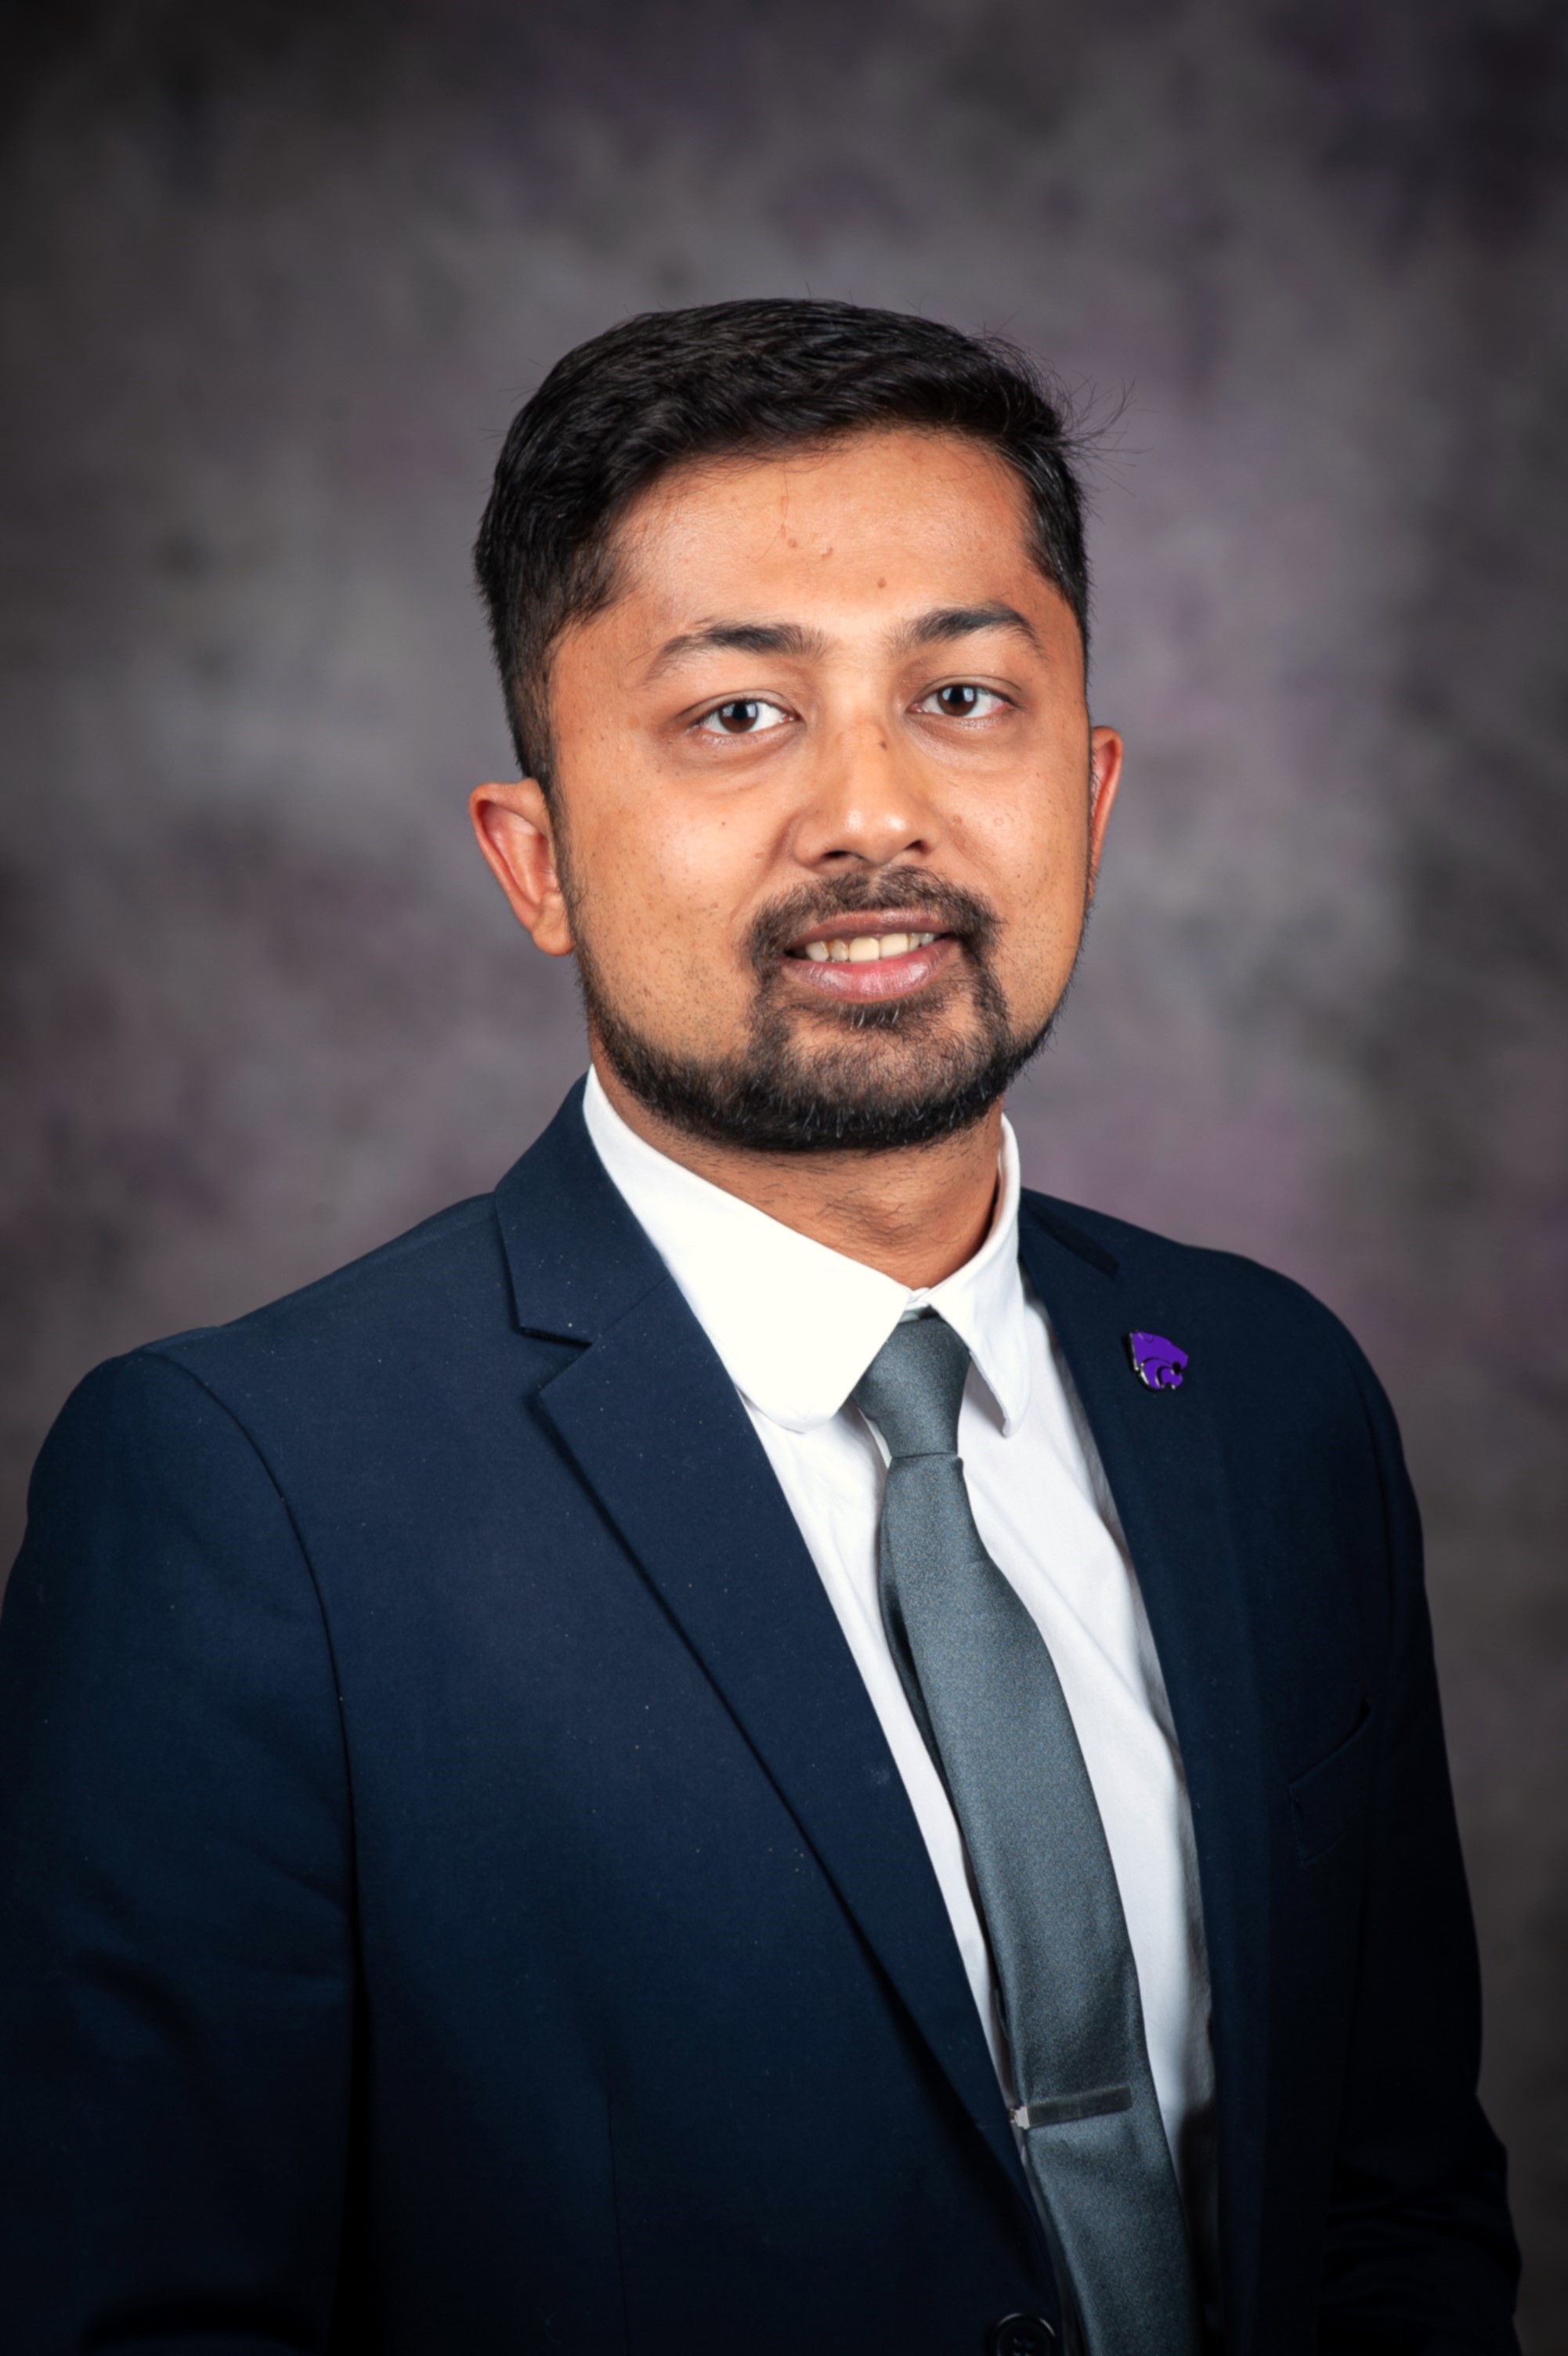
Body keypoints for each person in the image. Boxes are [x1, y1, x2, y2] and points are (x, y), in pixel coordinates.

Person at [0, 300, 1519, 2356]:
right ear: (536, 856)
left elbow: (1391, 2200)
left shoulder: (1271, 1398)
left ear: (1091, 792)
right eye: (735, 713)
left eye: (961, 696)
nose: (871, 816)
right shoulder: (243, 1500)